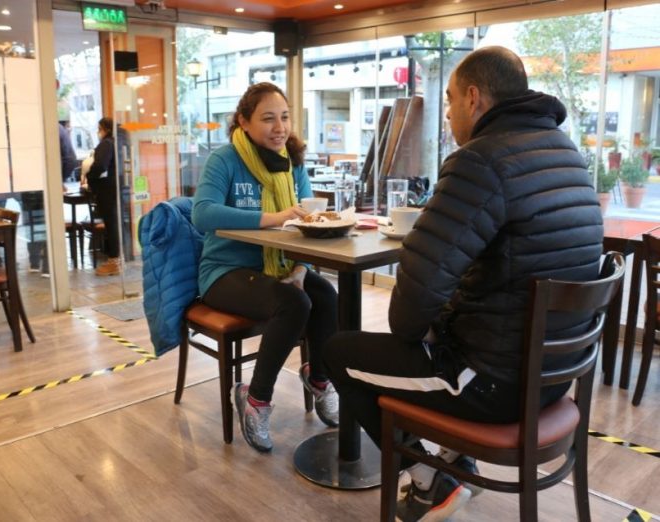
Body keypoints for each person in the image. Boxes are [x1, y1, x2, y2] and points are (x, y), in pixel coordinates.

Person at [322, 46, 603, 522]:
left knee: (339, 354)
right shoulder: (567, 154)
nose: (448, 113)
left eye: (450, 100)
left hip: (492, 386)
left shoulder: (480, 161)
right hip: (555, 380)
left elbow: (409, 311)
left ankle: (429, 479)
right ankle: (451, 460)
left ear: (474, 98)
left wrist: (426, 331)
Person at [192, 82, 339, 453]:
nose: (279, 127)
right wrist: (272, 218)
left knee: (327, 296)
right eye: (268, 119)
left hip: (279, 266)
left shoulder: (293, 163)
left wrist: (303, 267)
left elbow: (305, 220)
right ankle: (255, 400)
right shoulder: (224, 159)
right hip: (225, 272)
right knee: (294, 304)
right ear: (243, 122)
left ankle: (319, 379)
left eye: (285, 117)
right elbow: (202, 213)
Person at [86, 117, 121, 276]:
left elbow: (100, 165)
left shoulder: (107, 144)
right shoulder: (118, 141)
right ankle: (115, 259)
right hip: (115, 188)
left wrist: (89, 175)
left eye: (99, 128)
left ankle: (114, 260)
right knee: (114, 223)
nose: (98, 132)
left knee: (111, 223)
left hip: (107, 189)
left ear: (105, 129)